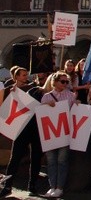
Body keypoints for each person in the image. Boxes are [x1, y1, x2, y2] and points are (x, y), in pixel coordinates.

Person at [0, 67, 43, 196]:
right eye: (23, 75)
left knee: (36, 157)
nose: (26, 77)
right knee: (15, 158)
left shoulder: (35, 88)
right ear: (16, 77)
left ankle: (32, 185)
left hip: (35, 128)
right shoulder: (9, 90)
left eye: (26, 75)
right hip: (21, 129)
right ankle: (8, 186)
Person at [41, 70, 78, 198]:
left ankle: (60, 187)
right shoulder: (46, 97)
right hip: (50, 133)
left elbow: (75, 113)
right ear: (55, 82)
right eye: (62, 81)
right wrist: (46, 105)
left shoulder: (71, 95)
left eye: (67, 82)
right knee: (51, 161)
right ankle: (52, 187)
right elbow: (41, 113)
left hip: (64, 132)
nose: (65, 84)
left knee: (62, 160)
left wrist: (77, 104)